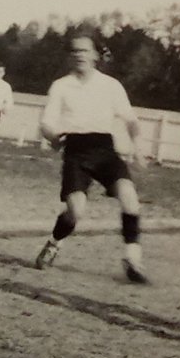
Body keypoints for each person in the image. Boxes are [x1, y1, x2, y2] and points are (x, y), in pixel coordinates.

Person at [33, 35, 149, 284]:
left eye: (85, 50)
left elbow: (131, 120)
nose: (79, 55)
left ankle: (133, 259)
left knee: (129, 198)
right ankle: (54, 242)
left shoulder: (110, 85)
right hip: (76, 151)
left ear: (96, 55)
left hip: (105, 149)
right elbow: (47, 123)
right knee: (76, 211)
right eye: (75, 51)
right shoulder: (61, 86)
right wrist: (52, 136)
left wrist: (138, 148)